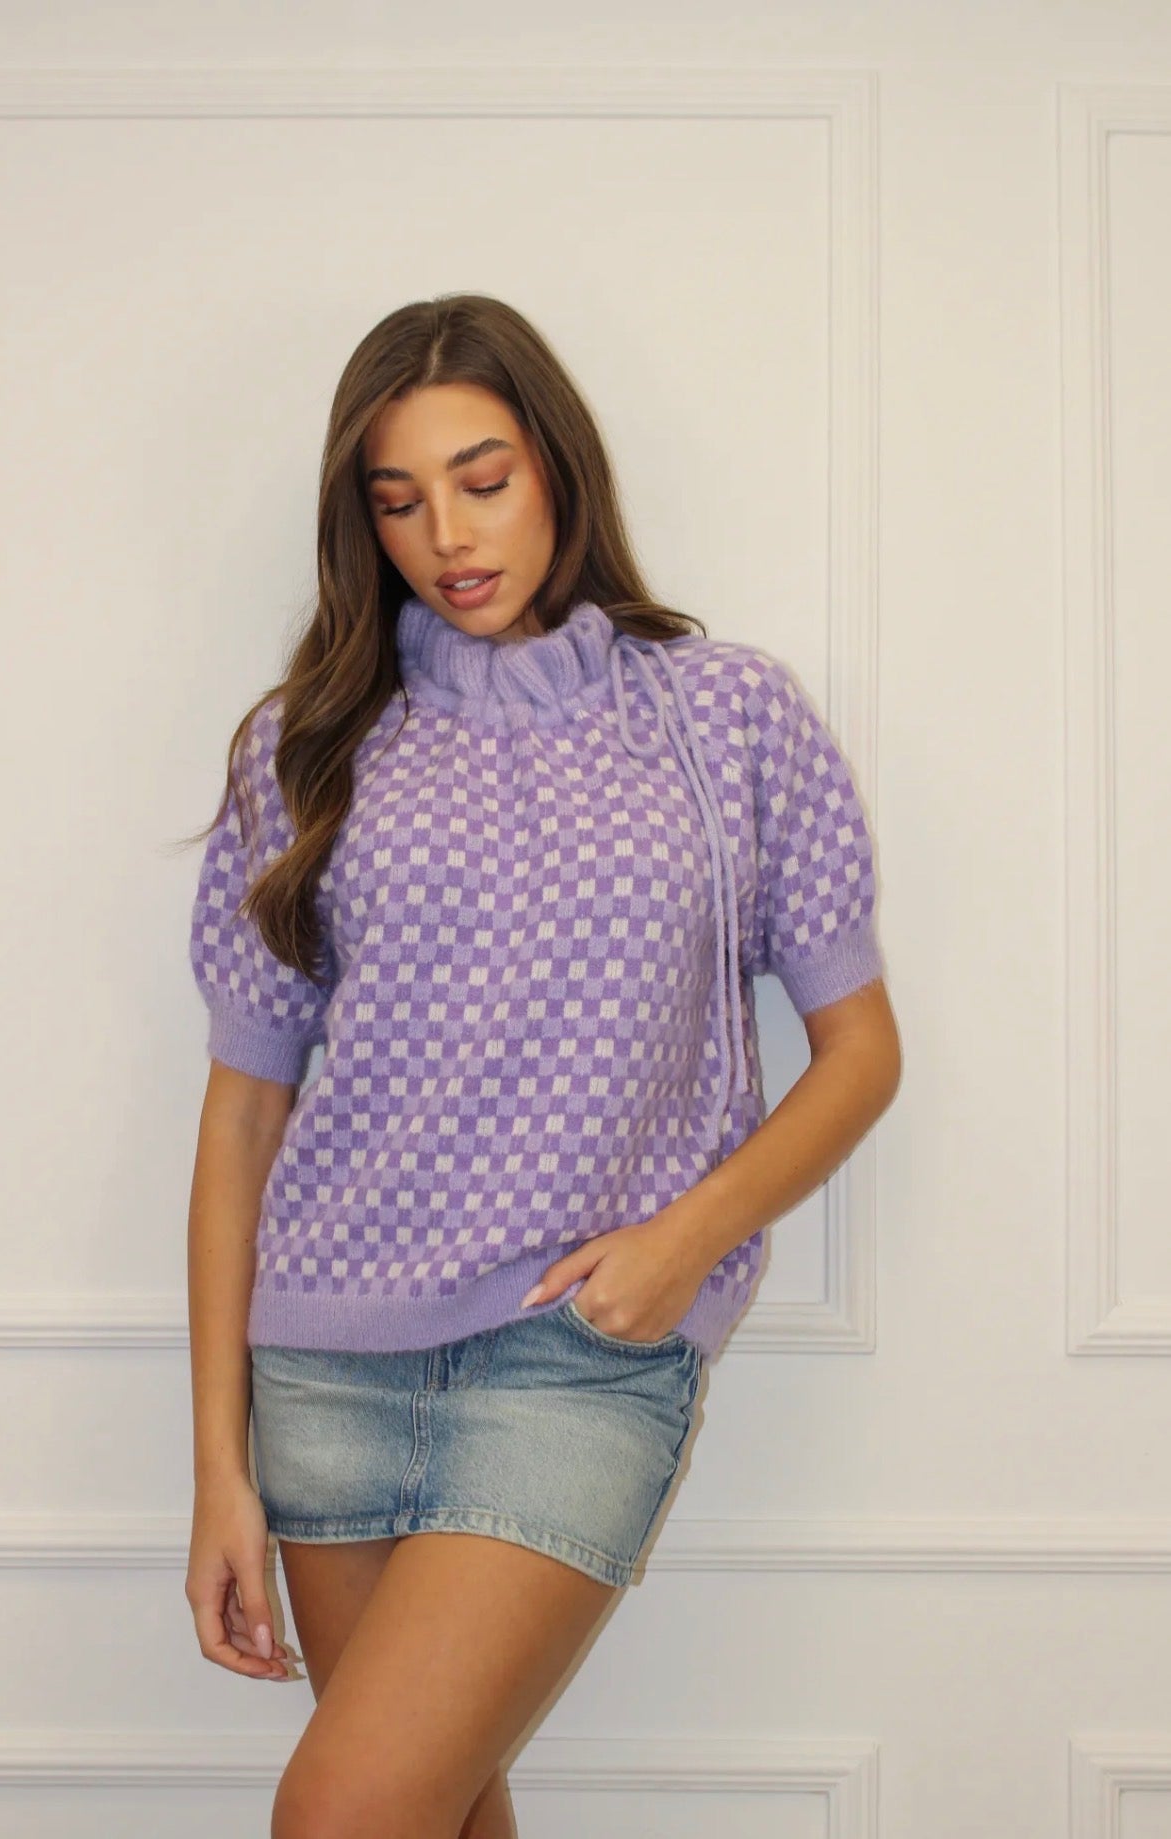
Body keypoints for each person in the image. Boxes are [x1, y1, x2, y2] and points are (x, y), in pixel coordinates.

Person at [182, 292, 902, 1839]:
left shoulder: (726, 719)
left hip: (574, 1360)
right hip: (325, 1366)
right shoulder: (306, 745)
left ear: (559, 466)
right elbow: (242, 1118)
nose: (447, 533)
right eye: (399, 500)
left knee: (340, 1817)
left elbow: (860, 1055)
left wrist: (683, 1242)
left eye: (483, 477)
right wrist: (217, 1472)